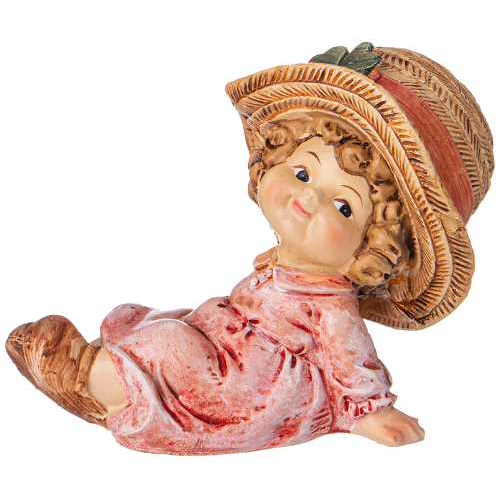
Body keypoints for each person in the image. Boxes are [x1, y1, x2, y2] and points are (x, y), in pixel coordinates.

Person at [6, 43, 494, 455]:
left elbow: (353, 359)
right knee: (164, 327)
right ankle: (106, 375)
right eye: (302, 172)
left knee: (172, 346)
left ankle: (94, 383)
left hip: (253, 383)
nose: (309, 197)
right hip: (230, 344)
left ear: (372, 248)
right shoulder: (283, 264)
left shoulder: (331, 302)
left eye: (344, 206)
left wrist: (371, 412)